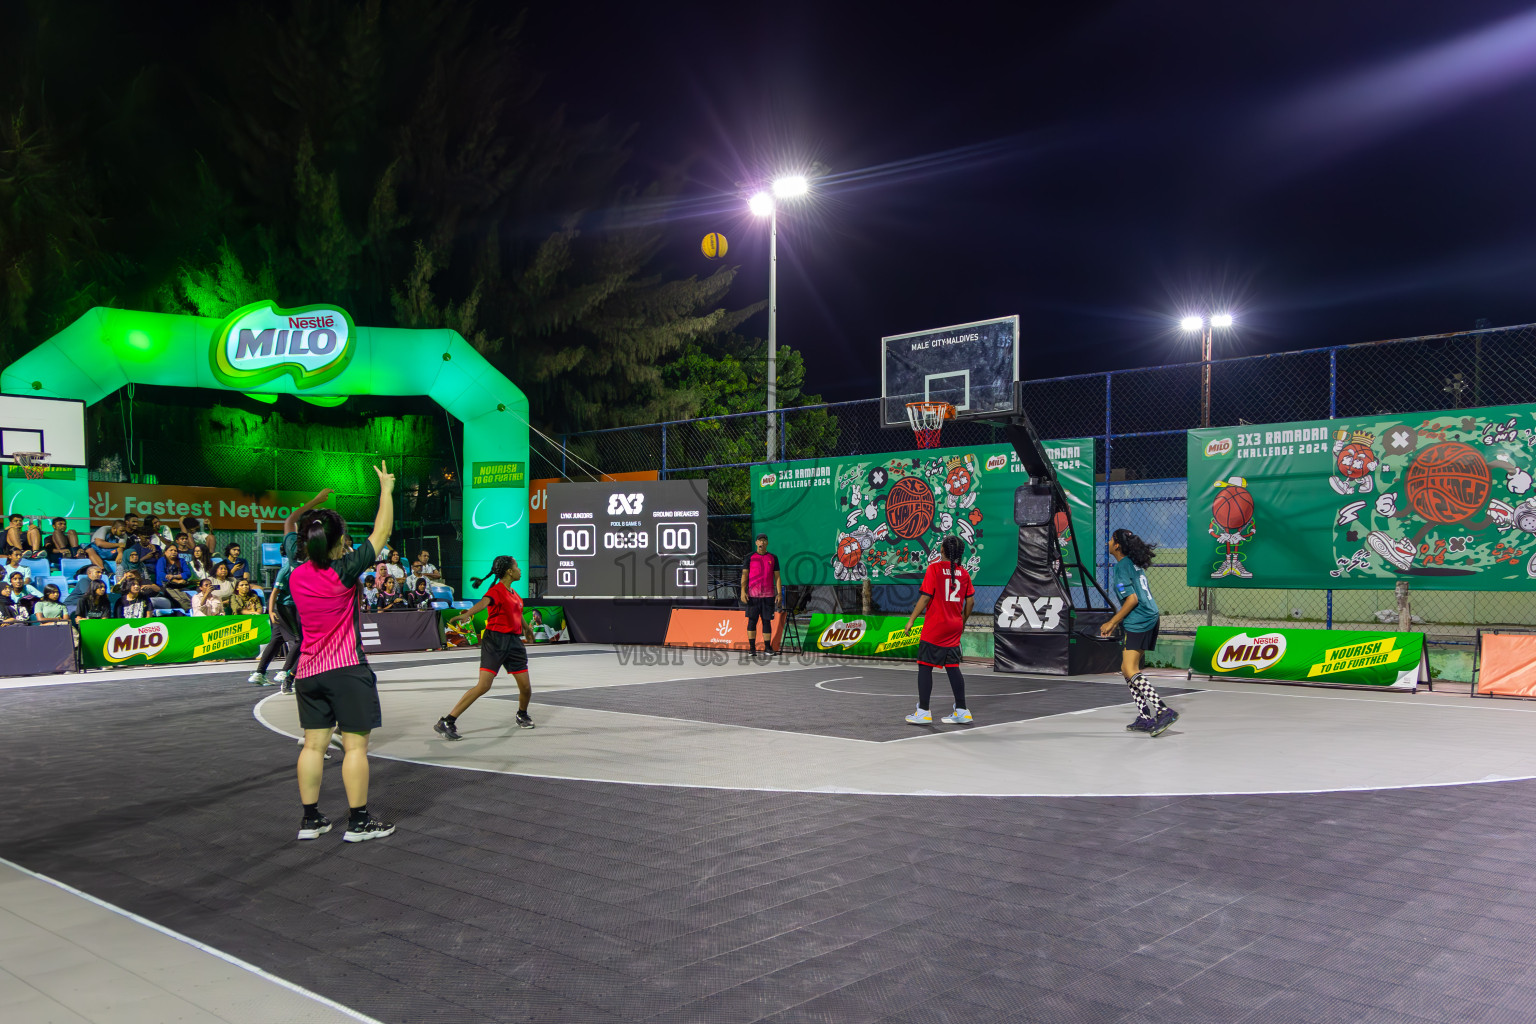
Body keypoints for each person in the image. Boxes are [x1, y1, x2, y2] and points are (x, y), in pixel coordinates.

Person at [289, 464, 394, 842]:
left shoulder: (294, 574)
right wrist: (386, 489)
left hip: (308, 673)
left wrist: (312, 507)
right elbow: (381, 532)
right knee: (355, 746)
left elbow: (290, 525)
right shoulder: (344, 570)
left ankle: (311, 819)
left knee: (313, 745)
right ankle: (359, 821)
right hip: (347, 669)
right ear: (339, 541)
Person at [435, 555, 535, 740]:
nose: (520, 570)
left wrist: (527, 629)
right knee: (483, 686)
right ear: (509, 571)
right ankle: (447, 721)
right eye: (517, 567)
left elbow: (517, 613)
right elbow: (483, 603)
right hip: (495, 641)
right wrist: (466, 614)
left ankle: (522, 714)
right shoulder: (496, 591)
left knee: (526, 687)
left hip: (514, 642)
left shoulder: (514, 594)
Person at [251, 488, 332, 691]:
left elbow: (289, 520)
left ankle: (260, 673)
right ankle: (287, 673)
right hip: (296, 606)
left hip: (286, 605)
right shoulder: (315, 560)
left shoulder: (291, 547)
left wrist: (314, 500)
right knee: (301, 641)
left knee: (278, 638)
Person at [1100, 528, 1179, 737]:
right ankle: (1144, 717)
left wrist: (1112, 622)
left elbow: (1132, 599)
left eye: (1110, 540)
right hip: (1151, 617)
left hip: (1139, 619)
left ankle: (1163, 710)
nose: (1107, 542)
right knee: (1127, 669)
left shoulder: (1121, 567)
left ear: (1117, 545)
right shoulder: (1132, 564)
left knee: (1130, 667)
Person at [904, 536, 976, 725]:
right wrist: (962, 620)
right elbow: (970, 601)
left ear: (943, 550)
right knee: (953, 667)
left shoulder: (934, 568)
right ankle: (962, 710)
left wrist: (911, 620)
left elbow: (926, 597)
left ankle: (923, 711)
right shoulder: (964, 573)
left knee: (925, 667)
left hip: (936, 626)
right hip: (954, 626)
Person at [738, 533, 782, 656]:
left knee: (766, 621)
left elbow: (777, 577)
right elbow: (744, 575)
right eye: (760, 541)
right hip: (753, 596)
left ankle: (767, 648)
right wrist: (743, 591)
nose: (762, 543)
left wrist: (779, 594)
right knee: (752, 621)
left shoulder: (773, 558)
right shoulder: (749, 557)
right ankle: (752, 648)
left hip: (768, 596)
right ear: (756, 543)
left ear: (767, 543)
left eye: (764, 541)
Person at [155, 543, 193, 610]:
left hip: (180, 586)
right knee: (180, 600)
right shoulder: (161, 560)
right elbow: (161, 575)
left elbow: (188, 573)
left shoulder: (181, 561)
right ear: (165, 552)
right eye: (171, 550)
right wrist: (176, 581)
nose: (173, 552)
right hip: (166, 586)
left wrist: (174, 576)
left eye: (175, 551)